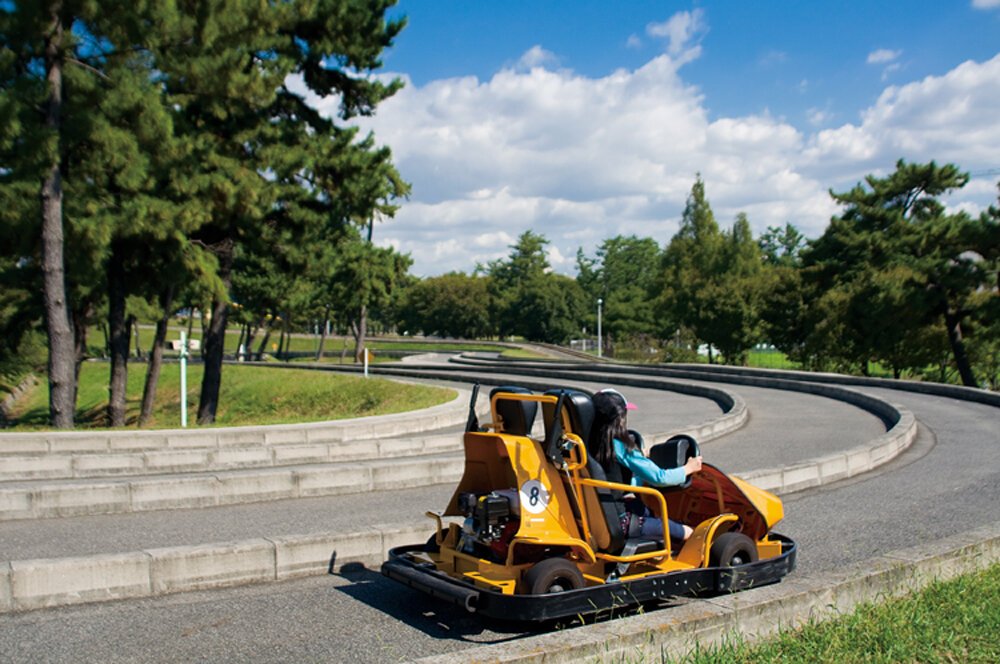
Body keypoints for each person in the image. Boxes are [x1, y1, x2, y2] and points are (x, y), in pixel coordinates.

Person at [589, 388, 703, 542]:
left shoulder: (586, 445)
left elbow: (617, 479)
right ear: (620, 419)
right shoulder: (622, 447)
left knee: (645, 509)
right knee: (689, 532)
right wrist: (689, 468)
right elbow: (660, 478)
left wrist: (639, 458)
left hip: (597, 518)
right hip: (622, 522)